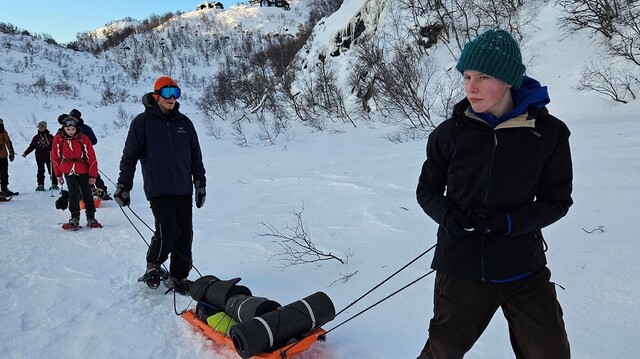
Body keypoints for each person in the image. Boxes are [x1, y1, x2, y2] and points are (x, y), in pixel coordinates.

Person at [415, 29, 572, 359]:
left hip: (523, 265)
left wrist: (509, 222)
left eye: (483, 76)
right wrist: (448, 216)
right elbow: (427, 189)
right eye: (467, 75)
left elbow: (557, 201)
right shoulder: (449, 134)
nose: (470, 86)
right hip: (461, 266)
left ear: (508, 80)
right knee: (443, 351)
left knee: (549, 351)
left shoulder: (549, 133)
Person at [114, 75, 206, 294]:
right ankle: (154, 263)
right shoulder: (142, 122)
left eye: (175, 93)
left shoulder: (184, 123)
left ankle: (179, 276)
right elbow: (130, 155)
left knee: (185, 234)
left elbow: (195, 157)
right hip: (159, 188)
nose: (171, 98)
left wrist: (200, 183)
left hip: (183, 188)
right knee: (168, 231)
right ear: (156, 95)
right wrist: (123, 185)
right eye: (166, 93)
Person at [52, 116, 102, 229]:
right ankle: (74, 218)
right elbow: (55, 157)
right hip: (68, 171)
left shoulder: (83, 138)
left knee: (87, 194)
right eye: (68, 129)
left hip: (83, 170)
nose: (71, 132)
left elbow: (91, 157)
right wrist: (58, 175)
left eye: (73, 129)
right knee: (73, 195)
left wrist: (93, 175)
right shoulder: (58, 139)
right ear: (64, 128)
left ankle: (91, 218)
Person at [67, 109, 112, 200]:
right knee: (76, 175)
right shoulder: (66, 128)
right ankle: (81, 193)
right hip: (72, 157)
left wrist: (85, 143)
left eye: (73, 117)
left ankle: (102, 191)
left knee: (93, 173)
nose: (72, 119)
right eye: (70, 117)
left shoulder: (86, 128)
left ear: (78, 118)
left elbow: (94, 140)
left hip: (85, 155)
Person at [22, 121, 59, 191]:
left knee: (51, 170)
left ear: (45, 127)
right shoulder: (36, 137)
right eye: (39, 126)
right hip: (39, 157)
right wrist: (26, 153)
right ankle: (40, 185)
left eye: (42, 126)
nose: (40, 128)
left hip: (49, 156)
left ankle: (54, 184)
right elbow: (32, 146)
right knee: (40, 171)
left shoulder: (50, 137)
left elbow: (55, 146)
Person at [0, 117, 17, 197]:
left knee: (4, 174)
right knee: (4, 174)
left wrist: (11, 153)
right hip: (3, 155)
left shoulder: (3, 131)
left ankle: (4, 190)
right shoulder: (3, 131)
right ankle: (4, 189)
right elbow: (8, 141)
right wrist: (11, 153)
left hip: (3, 155)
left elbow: (8, 141)